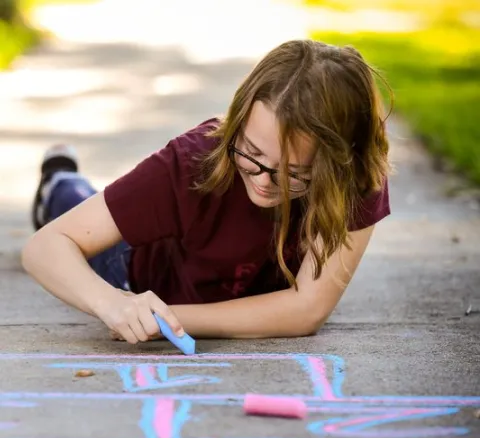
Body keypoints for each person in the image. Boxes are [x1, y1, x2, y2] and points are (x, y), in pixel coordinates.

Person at [22, 39, 392, 345]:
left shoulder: (356, 176)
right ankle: (59, 181)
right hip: (135, 271)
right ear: (238, 120)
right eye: (252, 153)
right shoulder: (194, 160)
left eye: (294, 173)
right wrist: (114, 304)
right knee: (71, 205)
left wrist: (169, 318)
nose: (265, 181)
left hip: (188, 301)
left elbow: (306, 310)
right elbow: (44, 247)